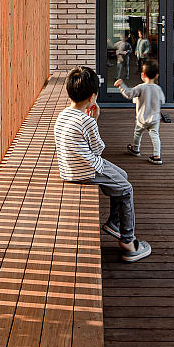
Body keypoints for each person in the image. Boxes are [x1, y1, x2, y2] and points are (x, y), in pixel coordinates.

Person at [53, 66, 151, 262]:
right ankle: (129, 242)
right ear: (92, 97)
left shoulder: (63, 115)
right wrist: (95, 119)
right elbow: (98, 150)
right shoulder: (86, 120)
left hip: (68, 168)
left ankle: (115, 222)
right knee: (127, 188)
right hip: (86, 169)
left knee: (121, 176)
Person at [116, 58, 164, 164]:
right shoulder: (158, 89)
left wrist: (121, 86)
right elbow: (162, 101)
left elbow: (129, 94)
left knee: (137, 133)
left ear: (143, 75)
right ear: (157, 75)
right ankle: (157, 155)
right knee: (155, 135)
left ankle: (136, 149)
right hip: (154, 119)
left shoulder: (141, 87)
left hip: (142, 118)